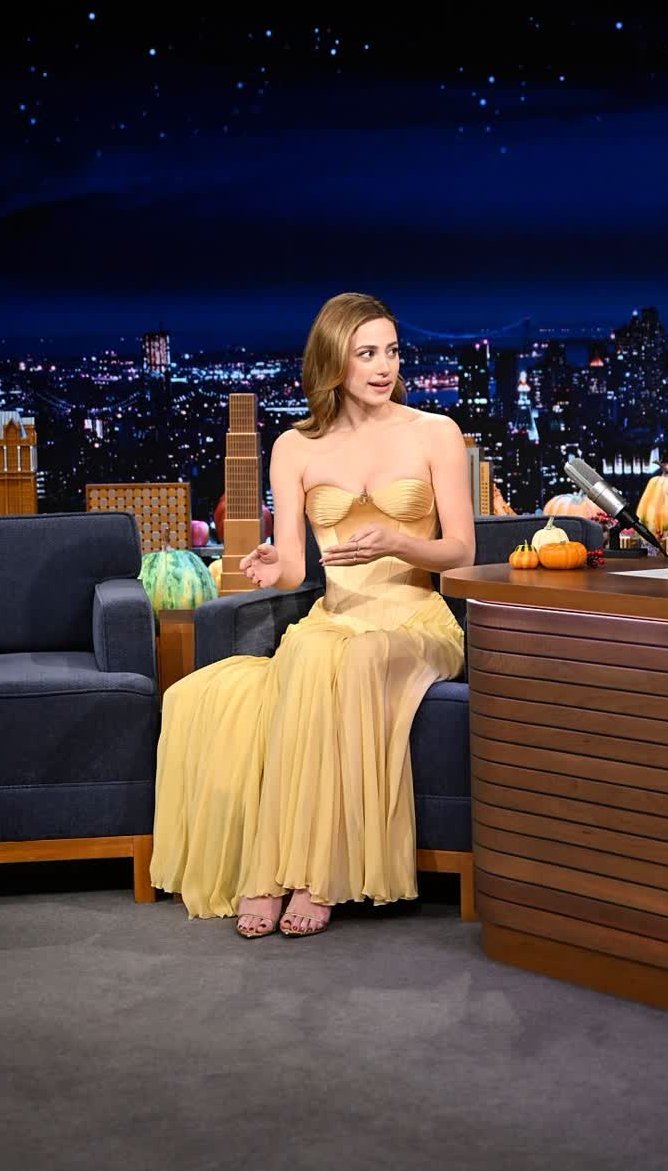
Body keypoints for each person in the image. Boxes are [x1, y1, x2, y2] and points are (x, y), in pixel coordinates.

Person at [151, 292, 476, 938]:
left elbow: (462, 553)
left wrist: (398, 541)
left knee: (357, 656)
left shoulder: (434, 432)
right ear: (333, 361)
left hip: (415, 620)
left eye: (391, 351)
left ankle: (316, 878)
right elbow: (298, 567)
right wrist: (273, 566)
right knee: (310, 649)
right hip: (336, 616)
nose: (383, 367)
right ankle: (271, 874)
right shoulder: (295, 446)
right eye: (366, 353)